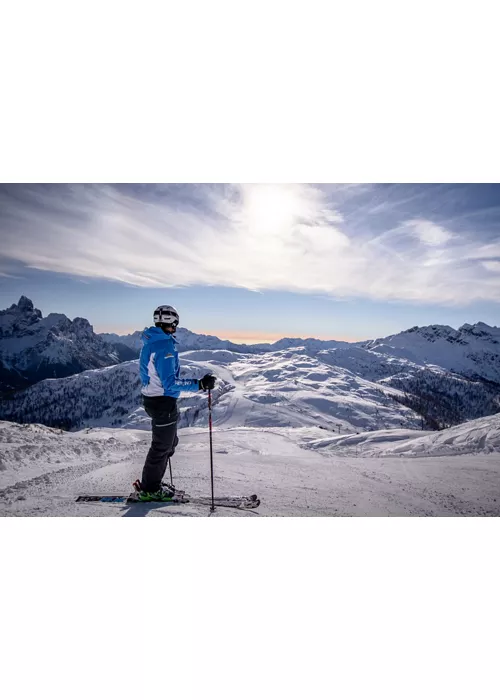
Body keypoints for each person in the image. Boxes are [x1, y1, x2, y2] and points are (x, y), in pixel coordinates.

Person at [136, 304, 216, 501]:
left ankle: (152, 483)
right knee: (162, 446)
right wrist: (200, 385)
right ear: (169, 323)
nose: (176, 328)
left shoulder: (152, 342)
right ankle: (149, 489)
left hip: (155, 399)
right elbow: (170, 383)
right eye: (175, 325)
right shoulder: (164, 347)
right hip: (162, 401)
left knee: (169, 443)